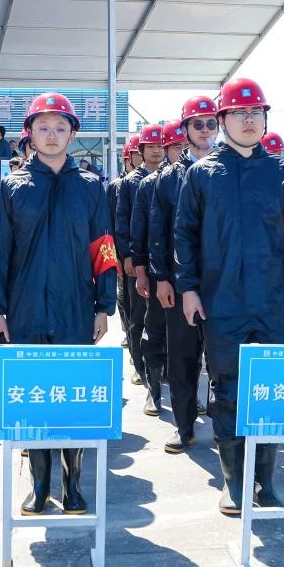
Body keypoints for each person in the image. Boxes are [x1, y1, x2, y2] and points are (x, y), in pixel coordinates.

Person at [174, 78, 284, 516]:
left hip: (274, 300)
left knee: (271, 388)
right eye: (240, 113)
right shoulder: (202, 175)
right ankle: (234, 481)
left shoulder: (281, 172)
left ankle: (266, 480)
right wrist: (189, 288)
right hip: (223, 301)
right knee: (229, 389)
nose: (249, 120)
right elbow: (184, 236)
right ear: (223, 120)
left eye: (256, 113)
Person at [0, 92, 116, 515]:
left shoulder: (90, 187)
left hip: (75, 305)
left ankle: (72, 483)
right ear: (30, 133)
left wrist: (104, 305)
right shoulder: (13, 186)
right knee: (33, 395)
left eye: (61, 127)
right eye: (43, 127)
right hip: (25, 308)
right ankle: (40, 484)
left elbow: (104, 248)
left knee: (71, 395)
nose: (52, 134)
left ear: (73, 134)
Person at [149, 95, 219, 452]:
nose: (205, 130)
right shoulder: (168, 178)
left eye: (210, 124)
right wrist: (161, 277)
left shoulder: (229, 171)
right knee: (182, 356)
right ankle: (184, 424)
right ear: (186, 129)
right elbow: (158, 231)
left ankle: (226, 429)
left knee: (223, 358)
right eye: (197, 124)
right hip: (180, 283)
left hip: (223, 284)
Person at [131, 120, 182, 417]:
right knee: (155, 332)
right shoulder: (149, 184)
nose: (181, 151)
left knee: (190, 341)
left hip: (190, 274)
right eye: (175, 147)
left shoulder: (200, 178)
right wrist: (141, 270)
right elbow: (140, 231)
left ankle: (184, 395)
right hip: (158, 270)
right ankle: (154, 391)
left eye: (184, 145)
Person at [116, 125, 165, 387]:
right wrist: (127, 255)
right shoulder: (130, 182)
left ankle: (162, 366)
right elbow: (122, 220)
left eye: (160, 146)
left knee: (164, 317)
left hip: (164, 261)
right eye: (150, 146)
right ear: (141, 151)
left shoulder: (172, 177)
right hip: (138, 259)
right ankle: (139, 365)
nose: (156, 151)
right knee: (137, 315)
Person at [108, 135, 141, 357]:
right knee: (126, 299)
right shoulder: (117, 186)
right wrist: (117, 256)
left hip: (144, 255)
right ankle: (130, 336)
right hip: (123, 252)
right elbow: (112, 222)